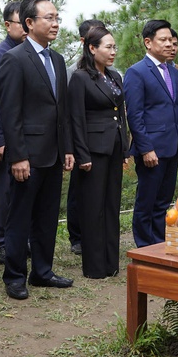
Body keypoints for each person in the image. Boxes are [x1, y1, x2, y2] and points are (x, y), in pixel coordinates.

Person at [0, 0, 75, 300]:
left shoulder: (57, 59)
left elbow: (62, 110)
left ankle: (43, 271)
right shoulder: (14, 59)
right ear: (29, 23)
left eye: (57, 18)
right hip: (27, 156)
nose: (55, 23)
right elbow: (10, 113)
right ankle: (15, 275)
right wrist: (17, 156)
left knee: (47, 216)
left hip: (53, 154)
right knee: (19, 217)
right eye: (49, 18)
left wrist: (67, 148)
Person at [68, 26, 130, 278]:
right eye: (108, 47)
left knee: (111, 204)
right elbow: (76, 119)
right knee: (93, 208)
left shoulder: (115, 76)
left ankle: (110, 262)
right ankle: (94, 266)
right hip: (93, 150)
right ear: (92, 48)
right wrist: (82, 155)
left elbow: (121, 114)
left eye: (114, 47)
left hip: (114, 146)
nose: (113, 51)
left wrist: (125, 149)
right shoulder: (81, 77)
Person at [124, 19, 178, 248]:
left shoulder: (172, 71)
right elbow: (135, 115)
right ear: (148, 43)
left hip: (172, 147)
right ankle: (144, 246)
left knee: (163, 201)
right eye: (163, 40)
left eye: (171, 40)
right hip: (151, 148)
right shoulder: (136, 72)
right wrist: (146, 148)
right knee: (146, 201)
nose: (169, 44)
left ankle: (159, 243)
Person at [0, 1, 26, 265]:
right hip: (6, 138)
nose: (26, 26)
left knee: (24, 192)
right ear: (7, 24)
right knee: (4, 191)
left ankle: (21, 239)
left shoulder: (34, 55)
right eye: (21, 21)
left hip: (29, 135)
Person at [65, 18, 106, 256]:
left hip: (103, 141)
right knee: (78, 191)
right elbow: (71, 114)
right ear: (85, 42)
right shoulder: (73, 72)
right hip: (82, 141)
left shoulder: (110, 72)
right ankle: (77, 236)